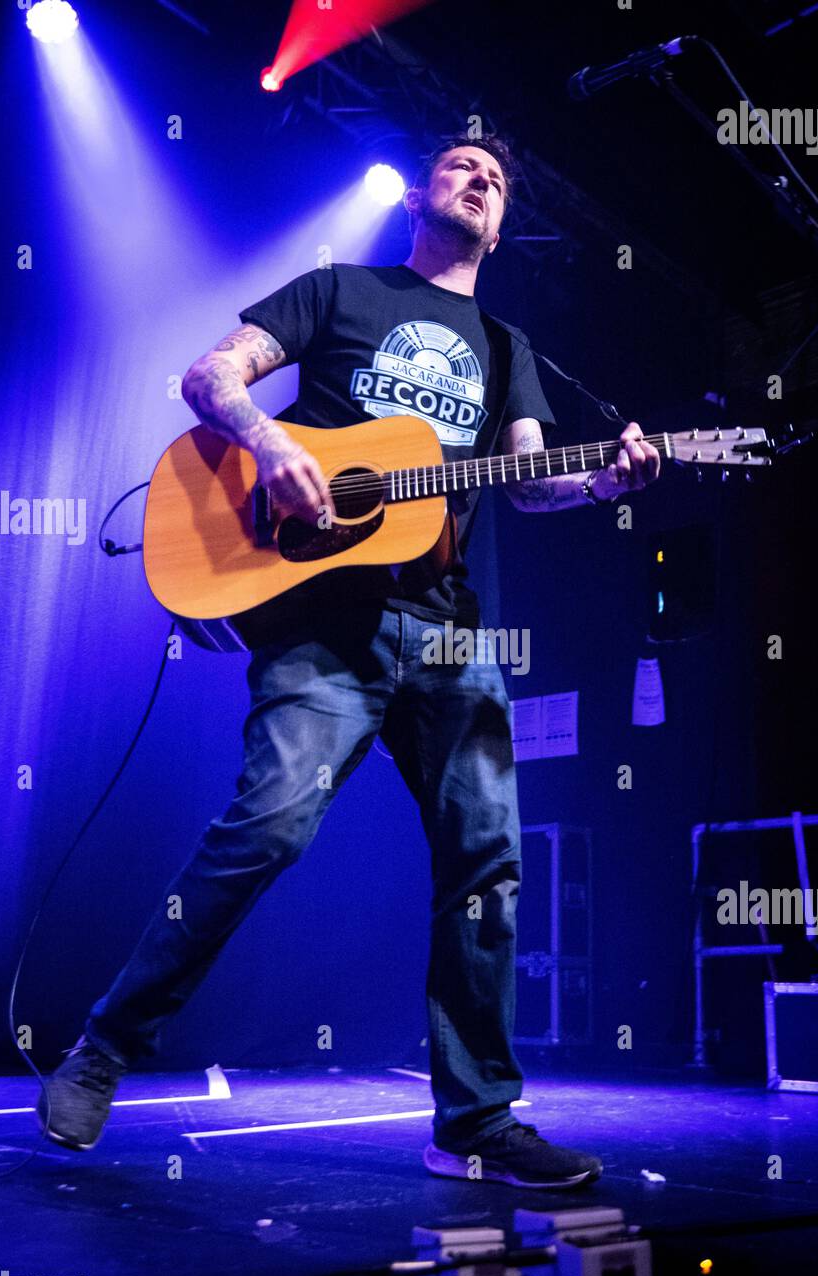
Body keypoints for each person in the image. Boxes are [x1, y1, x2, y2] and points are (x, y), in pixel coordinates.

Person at [38, 134, 660, 1188]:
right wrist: (272, 444)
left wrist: (608, 479)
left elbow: (526, 480)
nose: (481, 181)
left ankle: (475, 1122)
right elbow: (209, 374)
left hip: (453, 632)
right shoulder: (337, 292)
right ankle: (103, 1047)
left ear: (504, 225)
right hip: (322, 624)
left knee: (489, 864)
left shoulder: (508, 346)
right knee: (268, 826)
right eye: (463, 167)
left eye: (499, 179)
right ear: (422, 194)